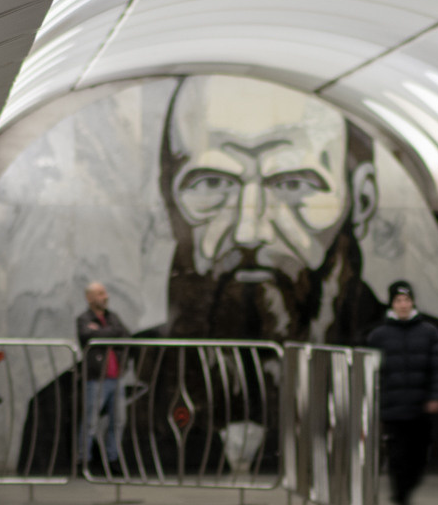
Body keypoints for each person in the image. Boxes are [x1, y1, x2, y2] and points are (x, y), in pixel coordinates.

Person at [161, 74, 383, 343]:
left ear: (361, 200)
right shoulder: (140, 364)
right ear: (169, 199)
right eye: (213, 182)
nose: (248, 232)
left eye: (292, 184)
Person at [361, 281, 438, 505]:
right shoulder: (378, 335)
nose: (403, 305)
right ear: (391, 304)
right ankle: (403, 504)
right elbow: (371, 372)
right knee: (398, 457)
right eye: (398, 301)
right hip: (393, 407)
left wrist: (436, 395)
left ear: (412, 302)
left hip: (421, 406)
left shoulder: (429, 332)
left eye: (406, 300)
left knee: (419, 457)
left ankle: (406, 490)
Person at [76, 281, 130, 468]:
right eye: (99, 293)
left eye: (105, 292)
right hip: (96, 378)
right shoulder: (83, 319)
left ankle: (113, 459)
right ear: (89, 297)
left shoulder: (112, 317)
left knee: (118, 421)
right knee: (90, 421)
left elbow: (125, 335)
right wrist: (108, 334)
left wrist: (100, 332)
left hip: (116, 378)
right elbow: (87, 337)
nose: (105, 296)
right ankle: (83, 460)